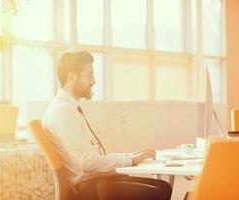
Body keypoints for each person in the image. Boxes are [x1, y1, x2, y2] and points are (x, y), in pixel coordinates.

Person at [42, 51, 171, 200]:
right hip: (88, 190)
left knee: (162, 186)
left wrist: (130, 156)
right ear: (72, 77)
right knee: (159, 192)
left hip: (94, 183)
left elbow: (91, 157)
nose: (94, 81)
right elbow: (86, 162)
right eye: (89, 75)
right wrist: (131, 161)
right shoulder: (62, 111)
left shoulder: (68, 108)